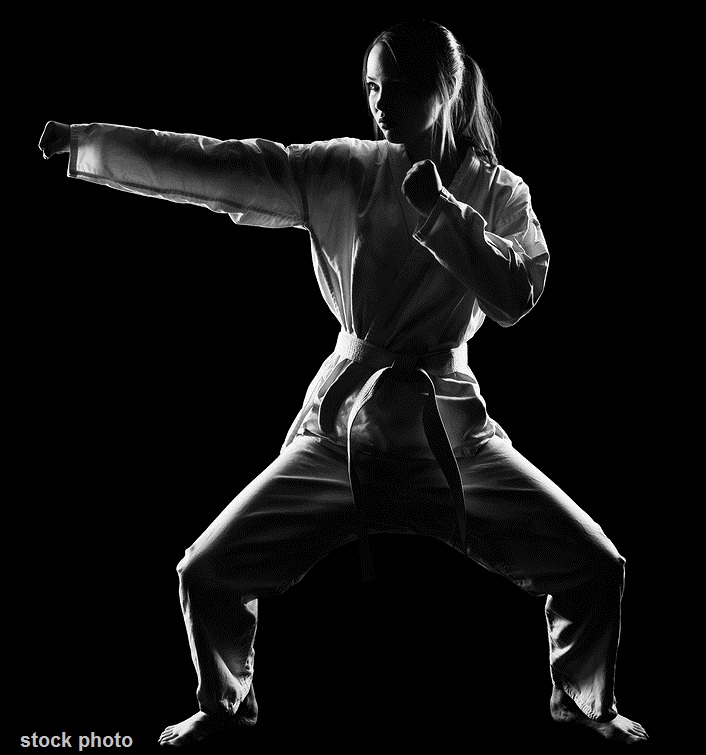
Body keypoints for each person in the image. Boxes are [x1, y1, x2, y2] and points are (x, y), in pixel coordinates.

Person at [38, 19, 648, 746]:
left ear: (446, 89)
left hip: (450, 429)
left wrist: (445, 214)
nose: (379, 104)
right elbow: (220, 165)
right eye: (370, 88)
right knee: (206, 570)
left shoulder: (500, 194)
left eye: (397, 87)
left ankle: (587, 705)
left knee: (595, 565)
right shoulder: (347, 168)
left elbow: (518, 295)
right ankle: (224, 704)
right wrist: (88, 142)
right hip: (340, 428)